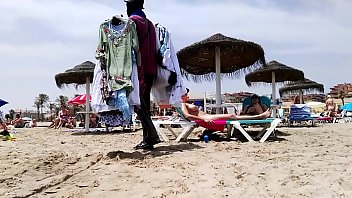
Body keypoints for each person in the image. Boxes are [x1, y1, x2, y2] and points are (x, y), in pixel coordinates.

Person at [125, 0, 161, 149]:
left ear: (130, 6)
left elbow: (127, 47)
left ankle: (151, 135)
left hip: (138, 70)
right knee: (143, 103)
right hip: (151, 70)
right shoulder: (150, 24)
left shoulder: (132, 21)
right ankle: (148, 138)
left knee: (138, 104)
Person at [182, 102, 272, 124]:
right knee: (232, 116)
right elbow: (187, 115)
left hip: (207, 116)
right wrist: (203, 119)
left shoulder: (185, 103)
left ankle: (259, 116)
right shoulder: (182, 104)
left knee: (233, 116)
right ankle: (259, 116)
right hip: (207, 118)